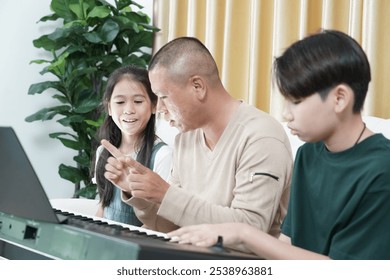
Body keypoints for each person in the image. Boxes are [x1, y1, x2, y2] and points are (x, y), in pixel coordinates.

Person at [167, 30, 390, 260]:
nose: (286, 114)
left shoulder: (381, 170)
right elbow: (288, 246)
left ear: (340, 98)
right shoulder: (308, 155)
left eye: (296, 101)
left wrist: (242, 232)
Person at [102, 37, 293, 234]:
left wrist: (164, 193)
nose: (159, 108)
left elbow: (248, 228)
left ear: (197, 87)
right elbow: (172, 224)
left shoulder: (261, 137)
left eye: (164, 97)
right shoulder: (185, 139)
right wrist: (141, 193)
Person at [92, 65, 173, 226]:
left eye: (138, 101)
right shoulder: (103, 152)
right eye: (120, 102)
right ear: (109, 107)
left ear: (154, 106)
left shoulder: (162, 155)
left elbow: (161, 222)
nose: (129, 110)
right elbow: (103, 205)